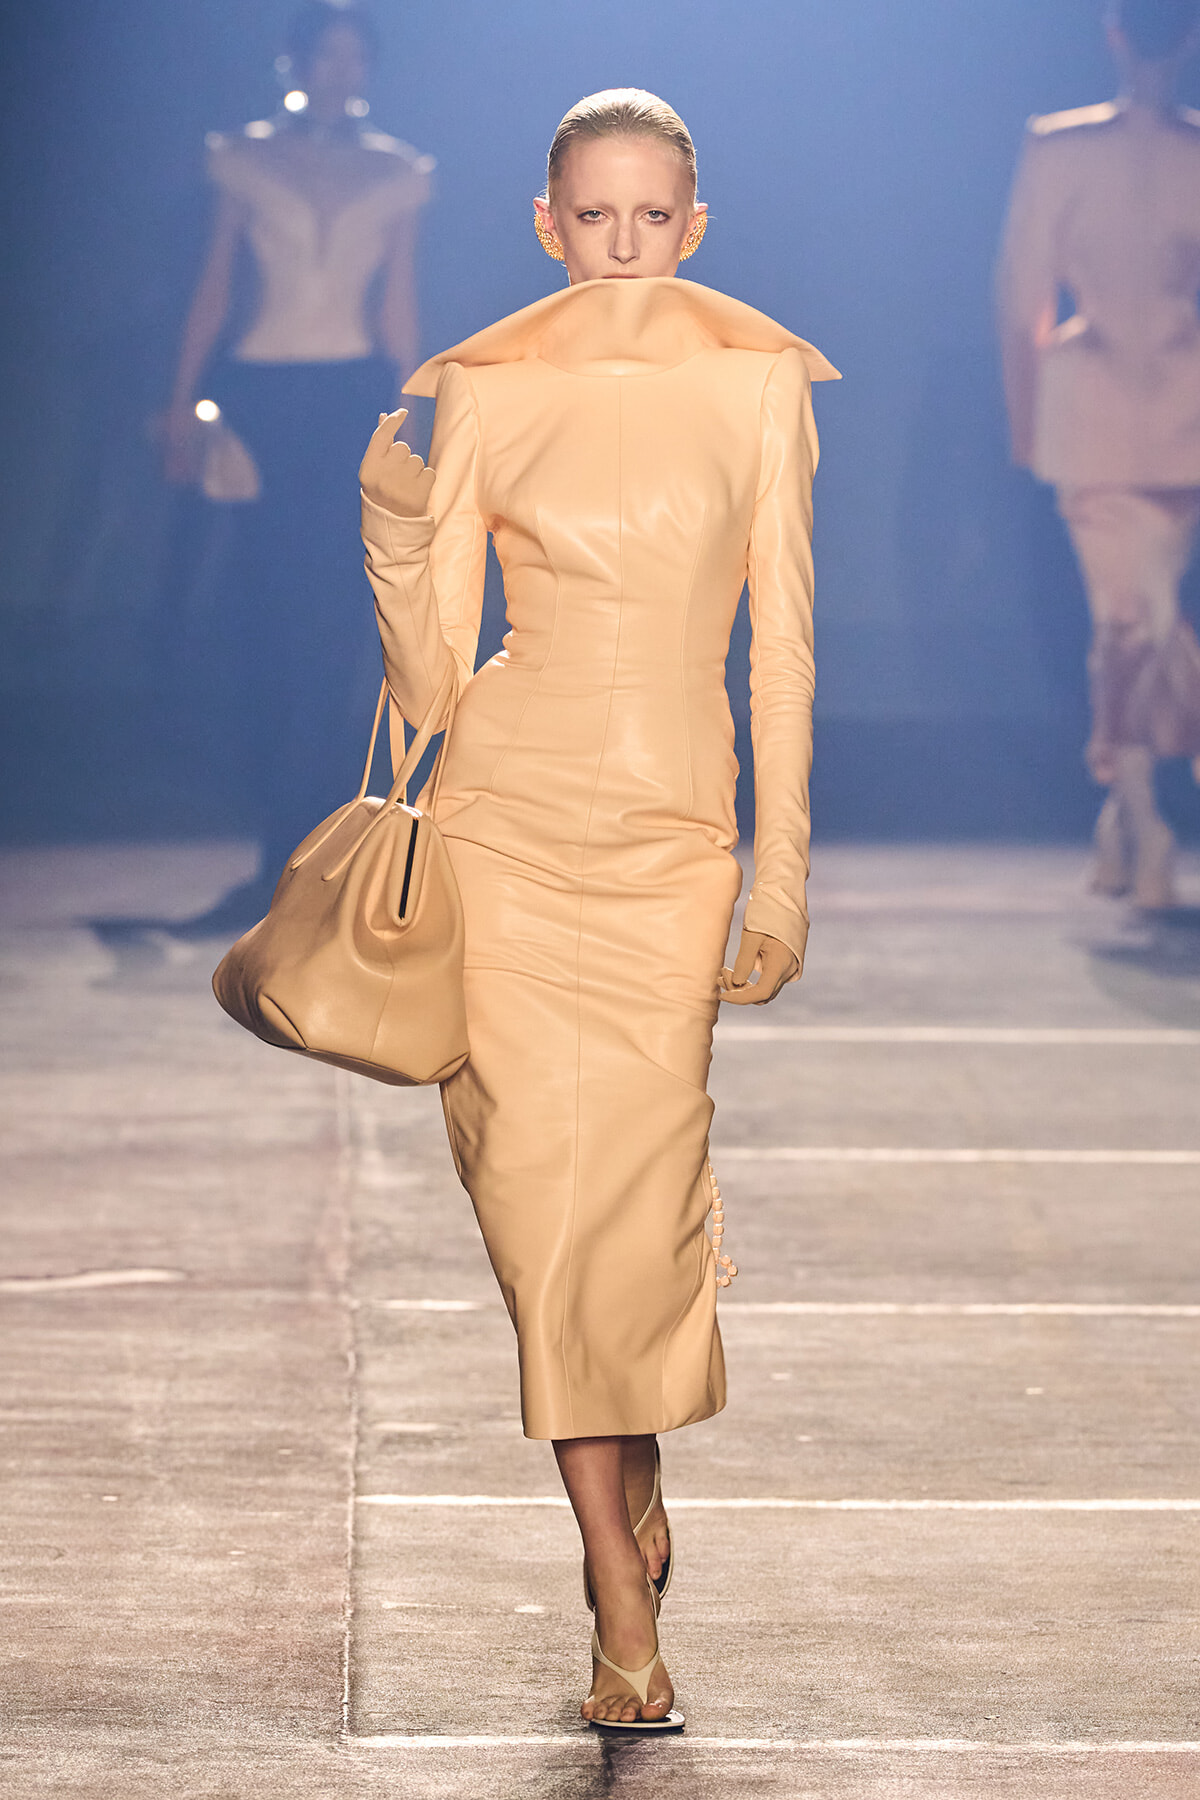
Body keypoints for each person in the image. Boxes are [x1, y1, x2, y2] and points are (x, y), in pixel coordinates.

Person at [357, 90, 837, 1730]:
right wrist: (395, 536)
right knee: (539, 1211)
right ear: (547, 222)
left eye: (653, 220)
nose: (623, 249)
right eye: (593, 219)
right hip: (507, 821)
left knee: (628, 1203)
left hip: (670, 836)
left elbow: (780, 641)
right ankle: (619, 1596)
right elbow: (428, 685)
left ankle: (620, 1510)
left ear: (691, 226)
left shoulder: (760, 384)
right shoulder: (484, 385)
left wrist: (777, 869)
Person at [165, 0, 433, 924]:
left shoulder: (397, 174)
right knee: (260, 608)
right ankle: (272, 838)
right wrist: (180, 404)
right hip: (262, 397)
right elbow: (213, 285)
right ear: (299, 61)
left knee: (334, 618)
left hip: (348, 396)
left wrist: (412, 419)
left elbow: (398, 305)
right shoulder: (243, 157)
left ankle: (317, 842)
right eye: (329, 55)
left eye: (357, 58)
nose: (341, 72)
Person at [997, 0, 1200, 907]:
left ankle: (1127, 810)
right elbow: (1023, 295)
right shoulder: (1064, 145)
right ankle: (1150, 822)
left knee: (1137, 620)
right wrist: (1032, 421)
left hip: (1153, 414)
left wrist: (1028, 420)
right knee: (1137, 618)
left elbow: (1020, 299)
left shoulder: (1070, 149)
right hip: (1124, 410)